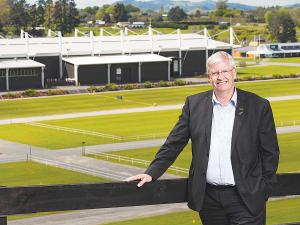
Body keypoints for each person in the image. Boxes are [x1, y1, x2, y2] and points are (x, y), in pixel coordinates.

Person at [125, 51, 279, 225]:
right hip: (209, 200)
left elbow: (270, 152)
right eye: (215, 73)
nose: (220, 77)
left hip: (246, 198)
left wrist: (263, 189)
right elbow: (174, 143)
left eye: (225, 71)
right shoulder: (194, 104)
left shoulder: (259, 105)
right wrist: (151, 173)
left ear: (234, 73)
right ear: (208, 77)